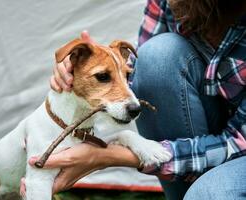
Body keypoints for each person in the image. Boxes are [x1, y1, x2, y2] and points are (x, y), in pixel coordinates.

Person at [29, 0, 246, 199]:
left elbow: (238, 143)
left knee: (208, 193)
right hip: (213, 122)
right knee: (156, 56)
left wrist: (110, 156)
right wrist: (82, 69)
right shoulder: (171, 2)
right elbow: (139, 69)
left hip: (239, 146)